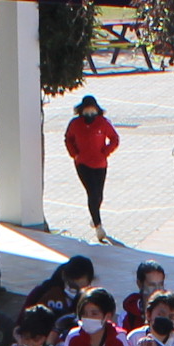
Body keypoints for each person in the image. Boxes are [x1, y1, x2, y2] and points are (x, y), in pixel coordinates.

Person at [62, 93, 121, 239]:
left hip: (100, 164)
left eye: (92, 110)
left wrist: (105, 152)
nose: (89, 113)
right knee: (92, 193)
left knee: (99, 195)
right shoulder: (75, 124)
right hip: (82, 164)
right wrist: (74, 154)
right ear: (81, 111)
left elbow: (114, 138)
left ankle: (94, 214)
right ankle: (98, 225)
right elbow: (68, 139)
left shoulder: (103, 123)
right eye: (86, 110)